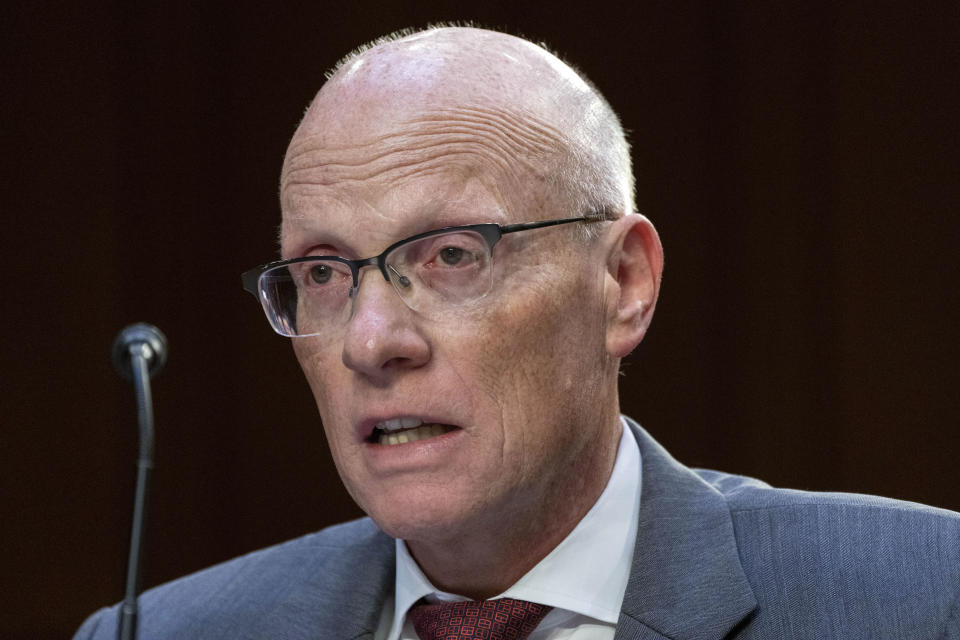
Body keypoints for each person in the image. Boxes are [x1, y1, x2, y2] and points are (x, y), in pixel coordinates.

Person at [75, 26, 959, 640]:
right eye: (322, 274)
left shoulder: (917, 598)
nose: (371, 341)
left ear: (623, 285)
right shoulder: (157, 633)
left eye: (453, 255)